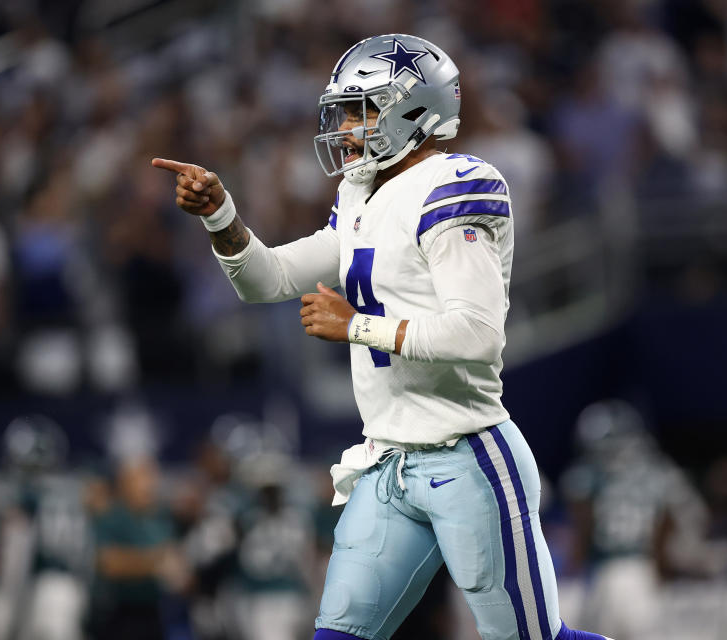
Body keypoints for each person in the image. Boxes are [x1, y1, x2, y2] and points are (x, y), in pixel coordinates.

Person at [153, 33, 611, 640]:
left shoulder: (458, 184)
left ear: (415, 110)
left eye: (361, 109)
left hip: (467, 455)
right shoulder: (363, 195)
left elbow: (476, 334)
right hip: (388, 465)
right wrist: (219, 214)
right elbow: (267, 279)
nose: (344, 127)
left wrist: (356, 327)